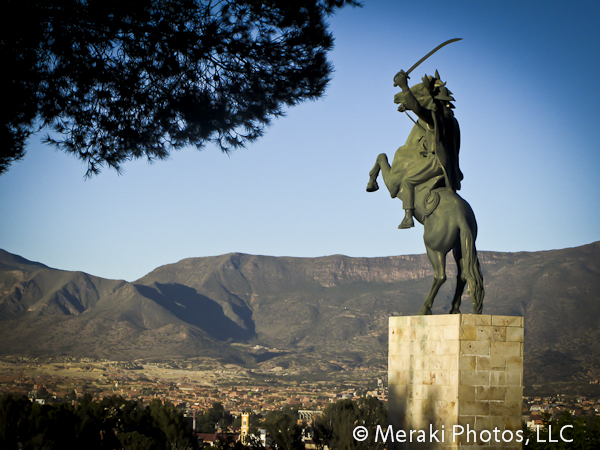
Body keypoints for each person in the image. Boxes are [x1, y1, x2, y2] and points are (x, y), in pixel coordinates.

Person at [392, 70, 463, 228]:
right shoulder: (454, 122)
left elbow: (418, 108)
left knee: (408, 181)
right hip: (451, 170)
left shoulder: (435, 118)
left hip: (435, 163)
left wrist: (405, 87)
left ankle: (408, 217)